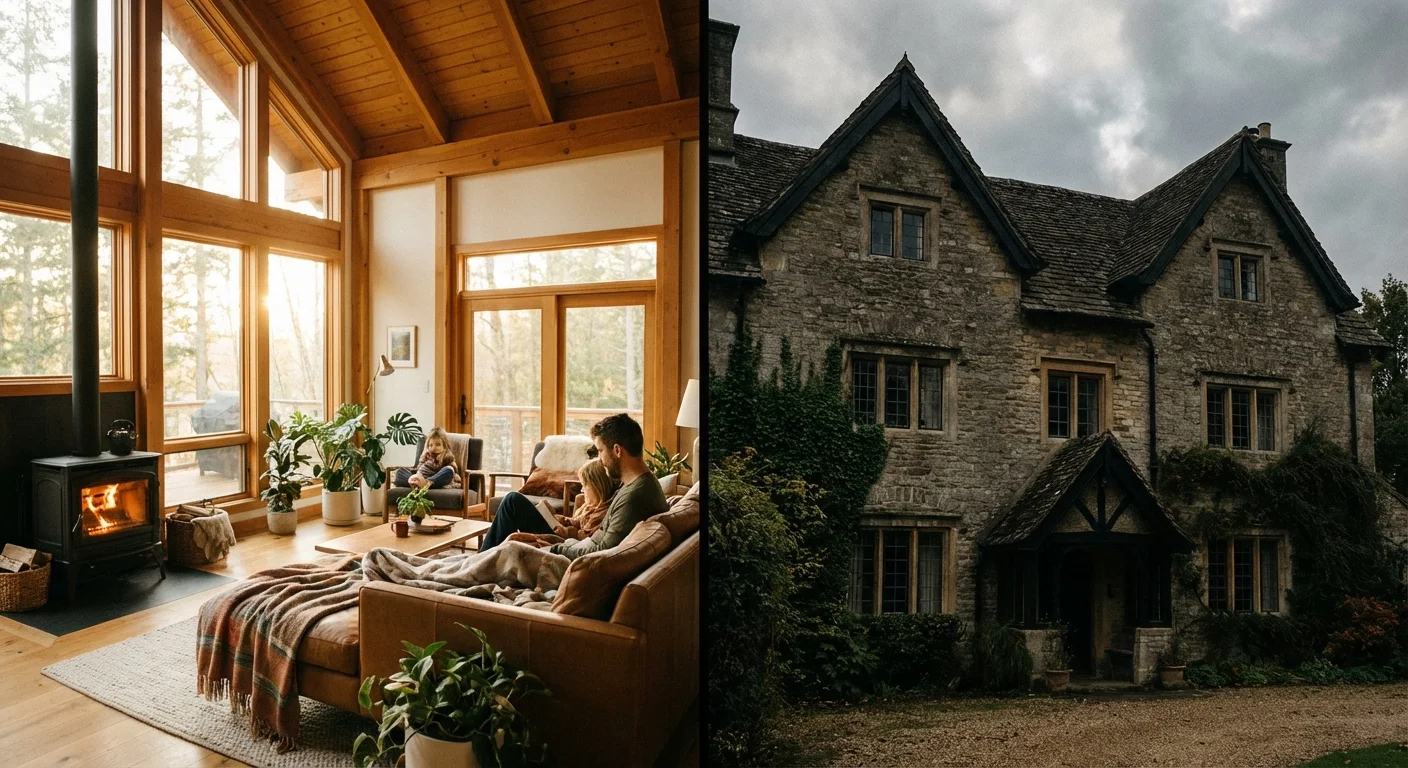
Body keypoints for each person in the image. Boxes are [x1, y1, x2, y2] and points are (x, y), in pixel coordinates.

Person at [486, 413, 669, 558]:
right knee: (513, 507)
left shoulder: (635, 497)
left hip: (574, 555)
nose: (601, 460)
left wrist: (553, 548)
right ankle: (481, 562)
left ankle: (479, 563)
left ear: (617, 450)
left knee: (512, 504)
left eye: (600, 451)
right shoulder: (638, 485)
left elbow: (601, 554)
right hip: (577, 545)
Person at [480, 457, 616, 550]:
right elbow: (577, 522)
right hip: (560, 534)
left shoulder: (603, 512)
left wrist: (567, 531)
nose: (581, 490)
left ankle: (485, 555)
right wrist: (561, 519)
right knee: (512, 501)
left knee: (513, 500)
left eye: (585, 485)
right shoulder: (590, 506)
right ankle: (489, 554)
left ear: (598, 486)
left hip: (562, 543)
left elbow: (587, 538)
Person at [392, 427, 461, 490]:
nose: (434, 448)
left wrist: (455, 474)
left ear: (445, 446)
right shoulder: (426, 455)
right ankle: (415, 483)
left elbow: (453, 468)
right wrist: (416, 476)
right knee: (400, 471)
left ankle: (425, 483)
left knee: (449, 470)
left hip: (434, 479)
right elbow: (419, 468)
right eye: (431, 445)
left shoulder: (447, 456)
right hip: (421, 477)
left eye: (438, 444)